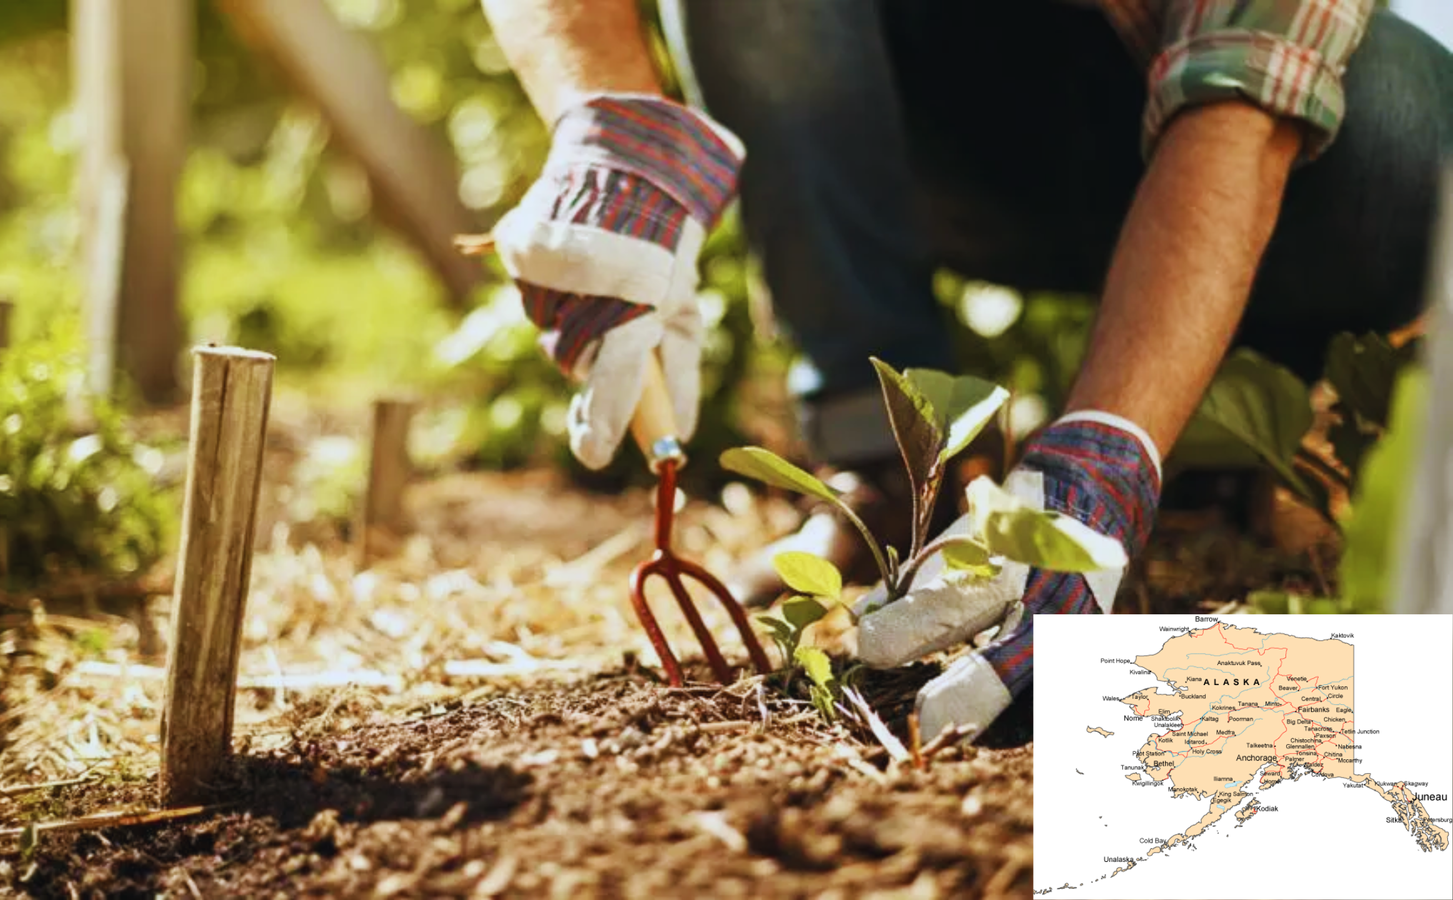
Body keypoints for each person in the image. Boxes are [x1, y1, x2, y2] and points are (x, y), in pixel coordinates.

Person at [476, 0, 1453, 742]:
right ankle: (890, 458)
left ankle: (1214, 420)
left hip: (1245, 115)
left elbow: (1246, 103)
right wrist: (604, 119)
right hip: (942, 124)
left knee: (1410, 131)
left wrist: (1104, 454)